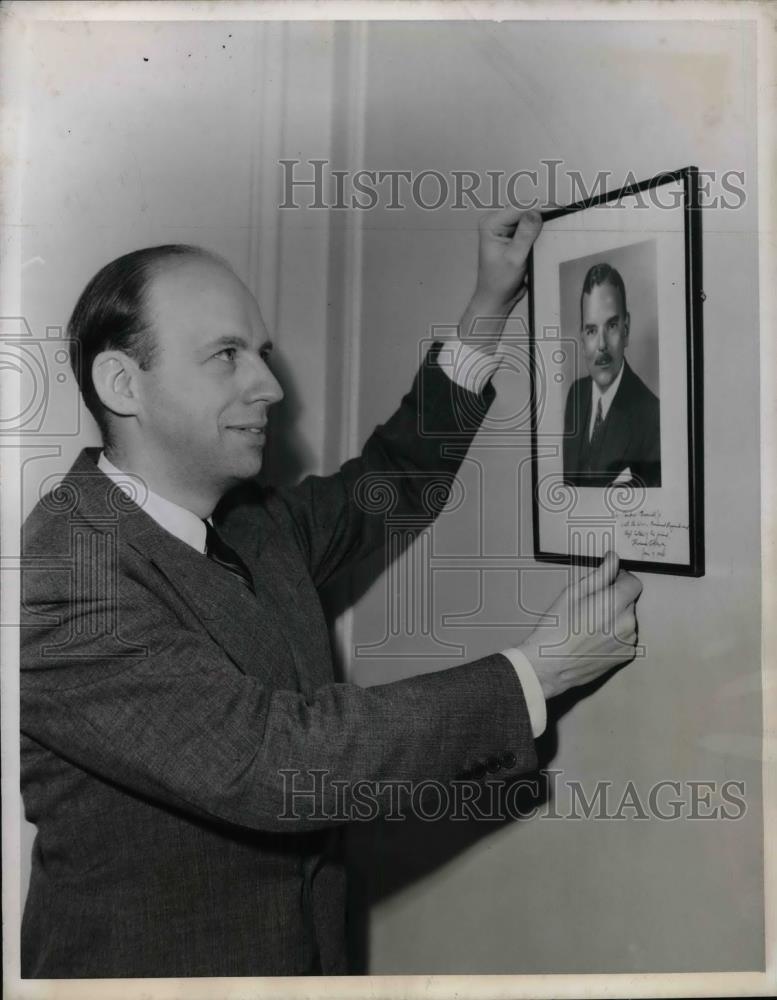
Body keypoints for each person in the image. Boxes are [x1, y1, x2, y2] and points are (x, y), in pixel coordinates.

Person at [20, 209, 643, 978]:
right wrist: (533, 673)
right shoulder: (59, 577)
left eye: (262, 353)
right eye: (227, 355)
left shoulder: (250, 524)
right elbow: (274, 763)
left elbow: (392, 482)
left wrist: (486, 310)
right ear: (123, 383)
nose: (270, 385)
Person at [563, 262, 661, 488]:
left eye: (612, 326)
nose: (601, 345)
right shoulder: (575, 396)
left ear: (626, 329)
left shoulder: (652, 417)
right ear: (582, 337)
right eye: (591, 330)